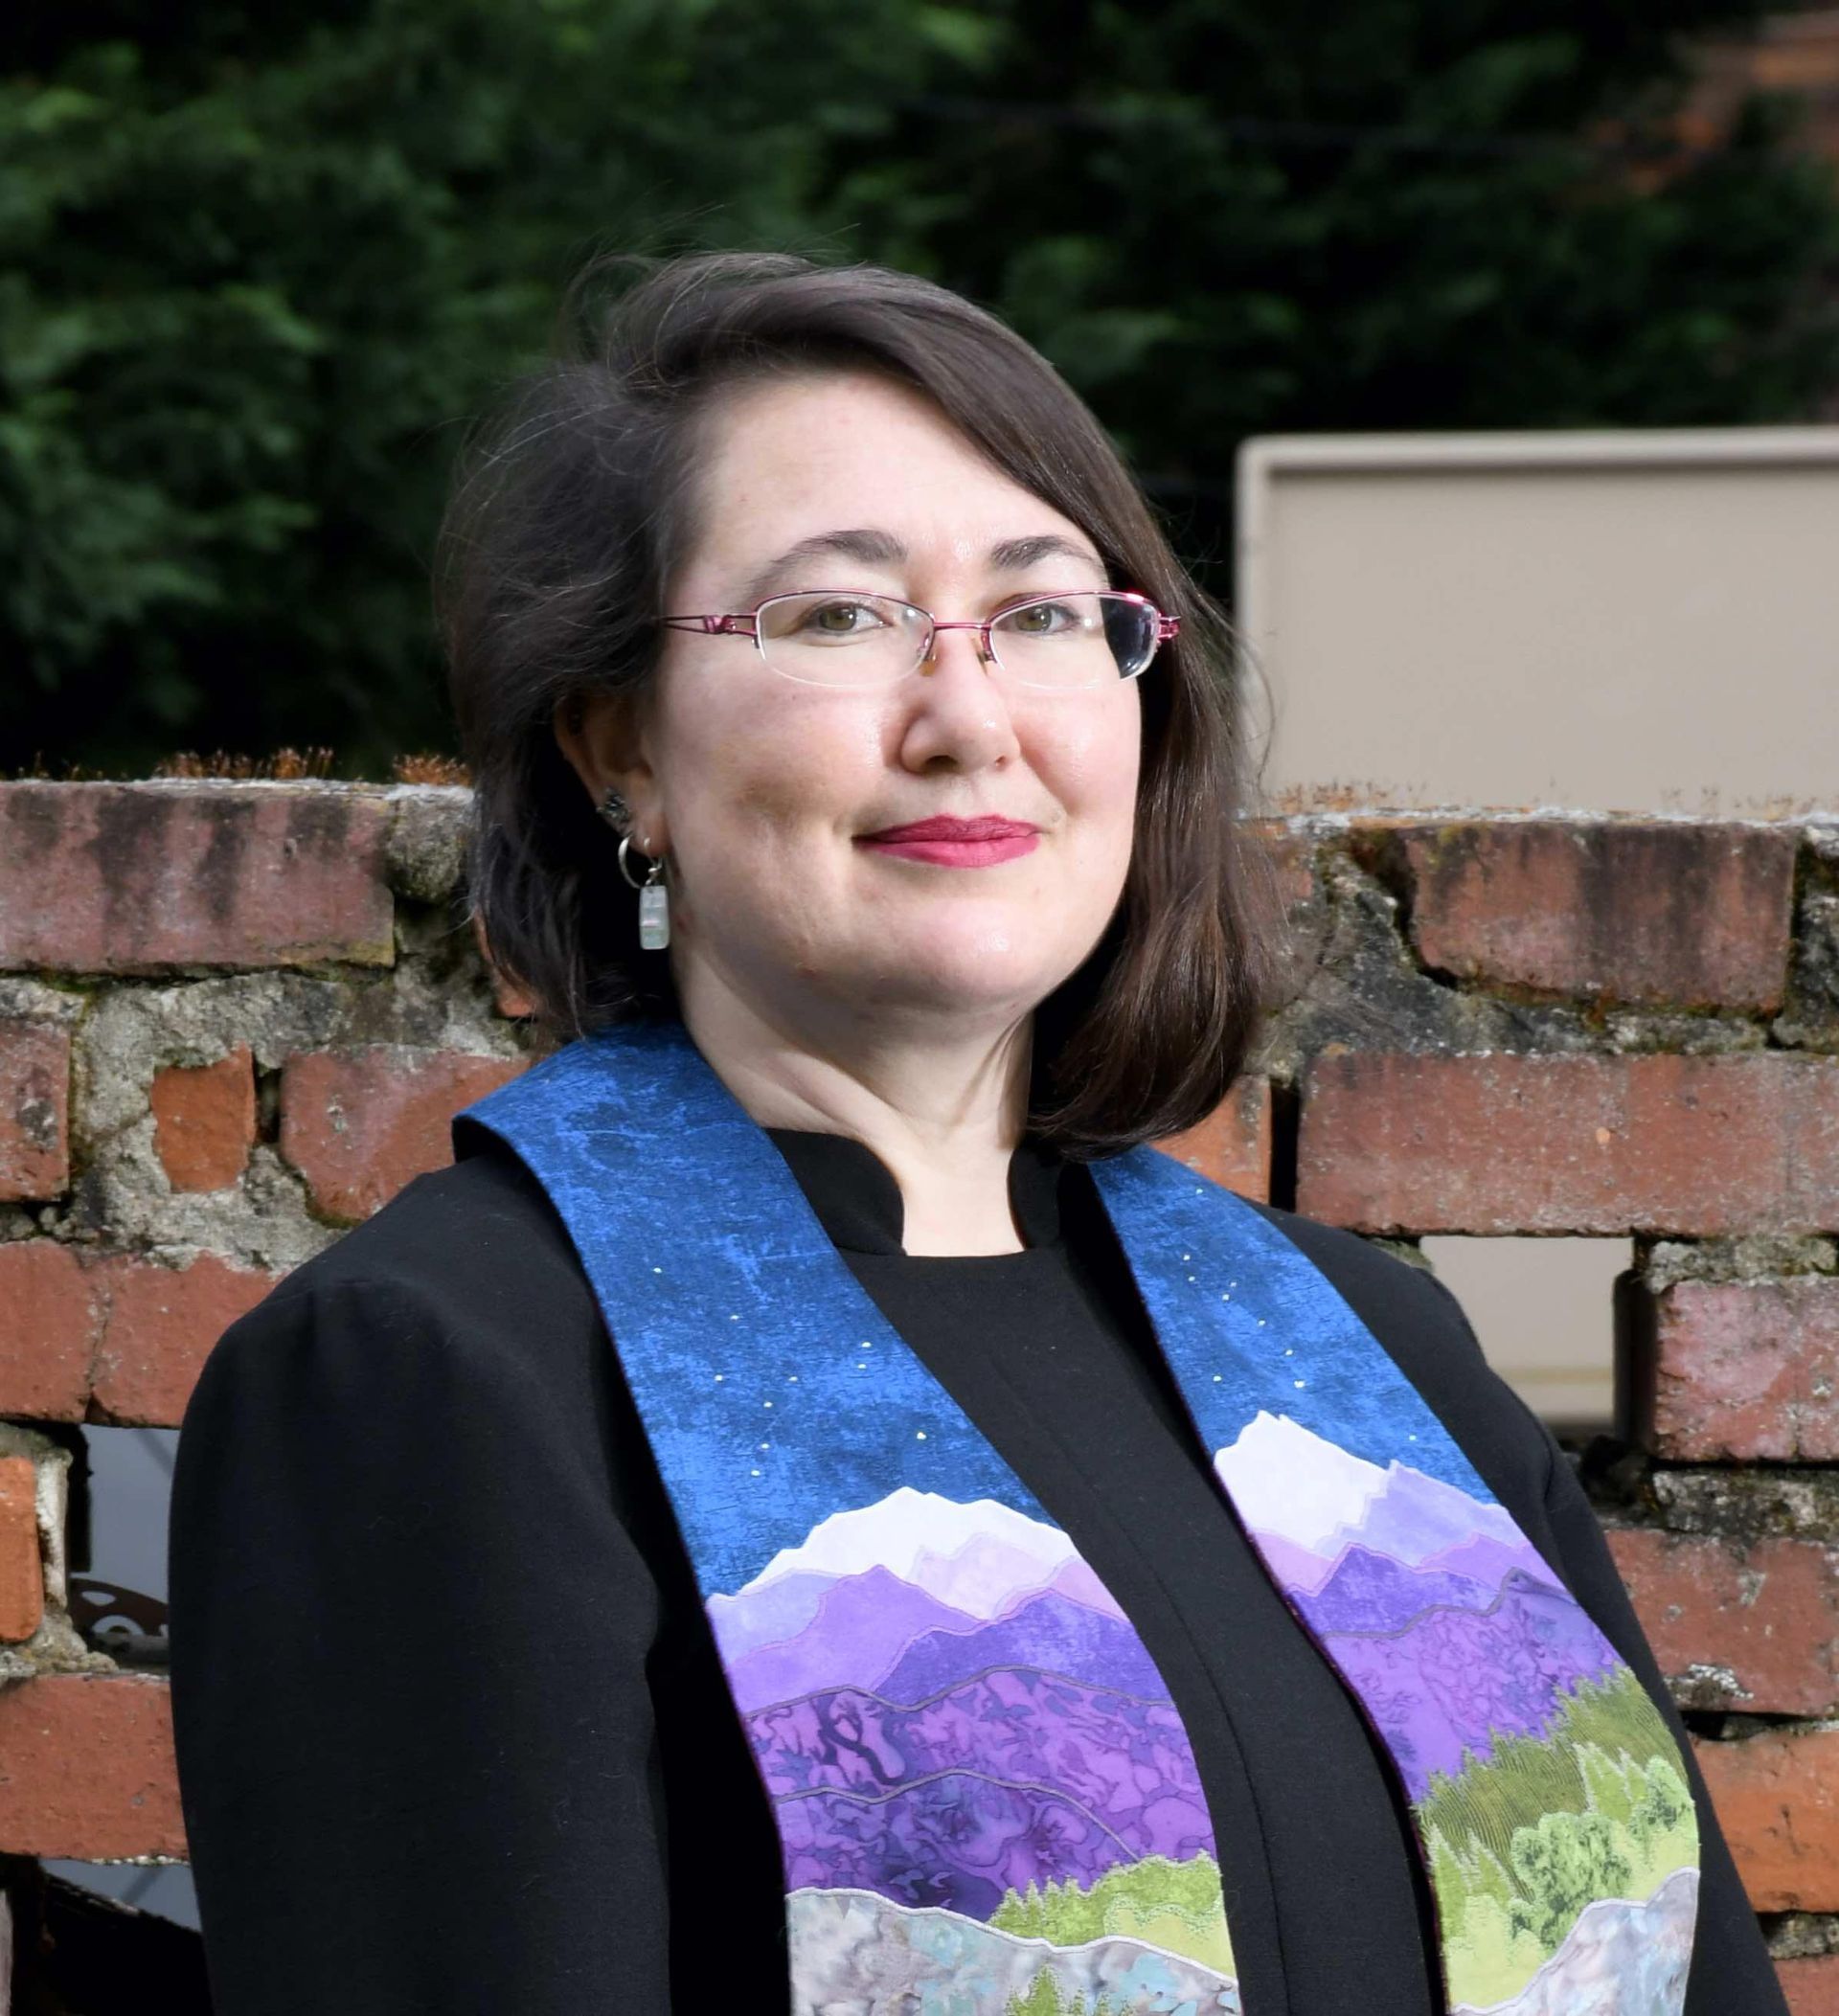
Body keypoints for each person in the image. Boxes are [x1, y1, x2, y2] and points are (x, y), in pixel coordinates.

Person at [167, 252, 1785, 2016]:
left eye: (1040, 614)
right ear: (620, 746)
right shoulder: (439, 1377)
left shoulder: (1371, 1361)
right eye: (838, 617)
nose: (970, 719)